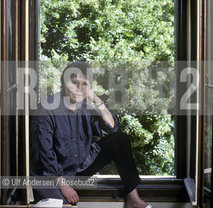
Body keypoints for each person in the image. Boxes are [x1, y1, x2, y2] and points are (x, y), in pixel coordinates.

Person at [30, 61, 152, 208]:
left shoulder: (86, 108)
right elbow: (44, 156)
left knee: (120, 140)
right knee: (59, 205)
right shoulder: (46, 109)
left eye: (84, 84)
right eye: (74, 83)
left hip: (78, 170)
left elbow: (112, 128)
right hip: (50, 175)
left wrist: (97, 100)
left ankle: (133, 200)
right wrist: (63, 186)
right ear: (64, 83)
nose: (79, 89)